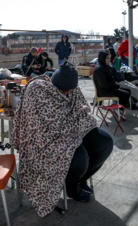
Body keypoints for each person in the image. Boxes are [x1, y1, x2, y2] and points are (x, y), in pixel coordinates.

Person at [11, 61, 113, 218]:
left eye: (70, 91)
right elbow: (38, 126)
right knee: (80, 156)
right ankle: (72, 189)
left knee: (105, 143)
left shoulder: (72, 89)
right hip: (49, 139)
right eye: (64, 91)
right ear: (55, 83)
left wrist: (77, 123)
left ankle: (79, 179)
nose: (67, 94)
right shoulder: (38, 90)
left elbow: (82, 109)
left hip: (75, 128)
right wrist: (67, 129)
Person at [93, 51, 131, 118]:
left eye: (109, 58)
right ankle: (118, 110)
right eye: (107, 58)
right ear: (102, 58)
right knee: (125, 94)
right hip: (104, 91)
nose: (109, 60)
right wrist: (116, 85)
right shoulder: (100, 69)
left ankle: (119, 109)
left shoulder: (104, 66)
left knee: (128, 91)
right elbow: (104, 84)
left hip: (108, 88)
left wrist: (116, 84)